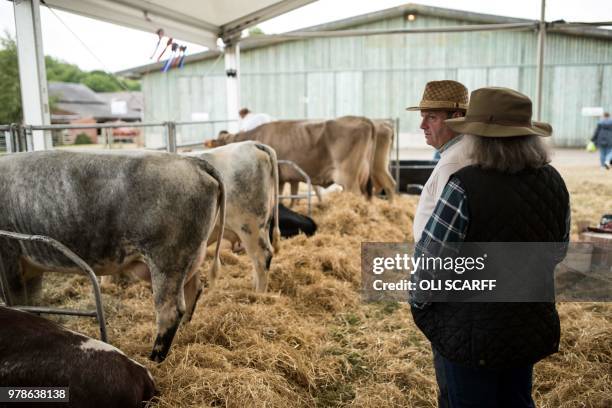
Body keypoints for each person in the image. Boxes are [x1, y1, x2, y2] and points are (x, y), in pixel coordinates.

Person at [411, 87, 570, 408]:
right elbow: (558, 252)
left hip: (469, 333)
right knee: (516, 400)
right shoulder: (553, 181)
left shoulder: (465, 185)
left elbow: (431, 263)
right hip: (526, 322)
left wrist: (422, 309)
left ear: (478, 136)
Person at [406, 80, 471, 242]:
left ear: (456, 119)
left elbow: (447, 231)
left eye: (432, 117)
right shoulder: (461, 151)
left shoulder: (453, 164)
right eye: (423, 117)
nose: (422, 125)